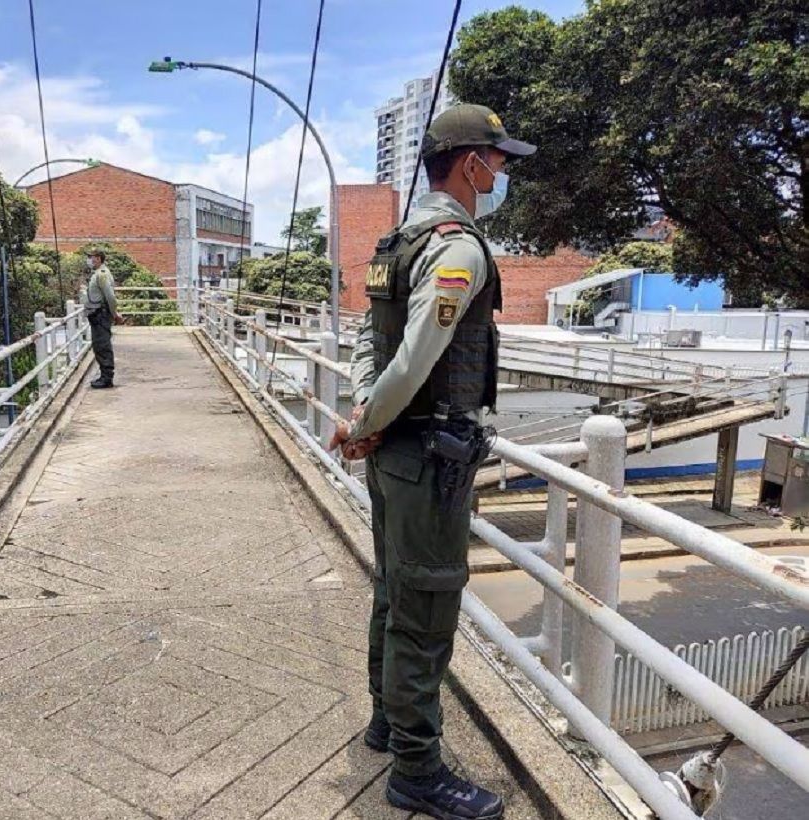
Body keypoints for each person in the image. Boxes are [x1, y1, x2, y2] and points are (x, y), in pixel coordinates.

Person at [329, 103, 536, 820]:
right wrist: (369, 423)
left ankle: (388, 724)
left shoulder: (398, 240)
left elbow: (369, 343)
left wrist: (363, 420)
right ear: (471, 162)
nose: (503, 171)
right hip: (428, 457)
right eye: (499, 159)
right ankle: (418, 771)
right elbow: (417, 359)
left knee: (394, 590)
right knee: (424, 608)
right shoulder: (459, 248)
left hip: (392, 450)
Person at [82, 249, 123, 389]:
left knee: (102, 345)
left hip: (100, 314)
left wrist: (114, 313)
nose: (89, 260)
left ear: (98, 259)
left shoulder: (102, 275)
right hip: (96, 314)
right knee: (99, 345)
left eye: (91, 257)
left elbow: (110, 297)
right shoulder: (98, 274)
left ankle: (107, 378)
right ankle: (104, 376)